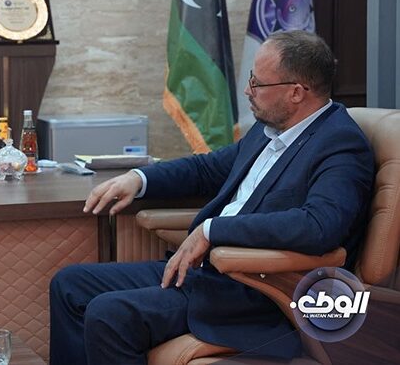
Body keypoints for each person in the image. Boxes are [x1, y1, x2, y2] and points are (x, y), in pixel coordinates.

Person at [49, 30, 375, 365]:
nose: (247, 90)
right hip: (207, 275)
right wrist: (138, 178)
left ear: (296, 92)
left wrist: (212, 230)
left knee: (109, 314)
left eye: (258, 83)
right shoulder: (270, 130)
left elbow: (319, 226)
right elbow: (206, 169)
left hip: (253, 293)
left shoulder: (340, 144)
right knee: (70, 284)